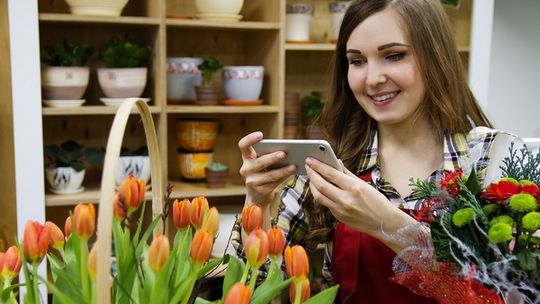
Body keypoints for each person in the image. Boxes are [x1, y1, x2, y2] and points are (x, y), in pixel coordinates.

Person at [232, 0, 520, 302]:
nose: (372, 79)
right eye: (357, 61)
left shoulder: (491, 157)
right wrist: (259, 202)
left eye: (394, 56)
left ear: (435, 55)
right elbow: (253, 289)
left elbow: (509, 291)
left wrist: (387, 224)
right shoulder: (332, 163)